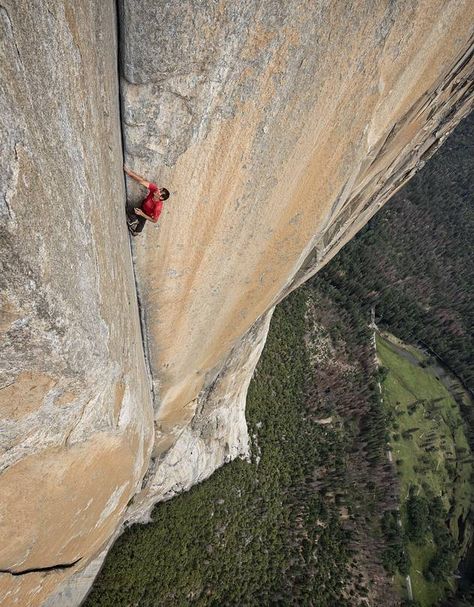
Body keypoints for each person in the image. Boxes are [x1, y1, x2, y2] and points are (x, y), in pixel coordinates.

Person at [124, 166, 170, 236]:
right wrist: (129, 173)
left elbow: (154, 220)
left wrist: (142, 214)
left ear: (161, 198)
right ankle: (134, 221)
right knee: (128, 208)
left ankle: (136, 228)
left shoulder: (158, 207)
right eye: (160, 189)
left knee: (136, 230)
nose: (158, 190)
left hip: (145, 215)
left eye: (160, 192)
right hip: (141, 208)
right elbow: (142, 181)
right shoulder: (154, 189)